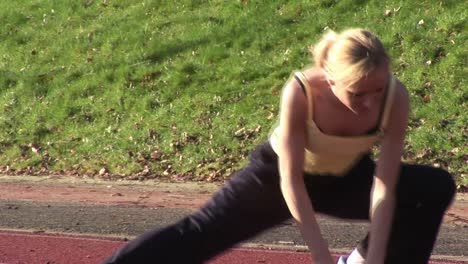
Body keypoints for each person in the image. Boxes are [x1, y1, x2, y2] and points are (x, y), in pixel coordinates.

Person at [102, 28, 456, 264]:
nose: (369, 103)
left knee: (431, 187)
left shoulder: (395, 98)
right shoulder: (301, 92)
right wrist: (320, 258)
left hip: (347, 178)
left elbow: (383, 183)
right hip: (275, 180)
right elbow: (292, 182)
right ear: (331, 80)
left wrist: (376, 256)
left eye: (377, 90)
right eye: (357, 93)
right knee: (200, 233)